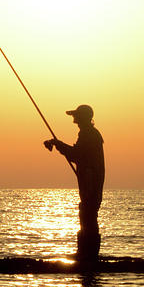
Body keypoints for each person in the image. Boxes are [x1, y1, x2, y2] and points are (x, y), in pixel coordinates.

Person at [44, 105, 105, 261]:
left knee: (88, 213)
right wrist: (58, 144)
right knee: (86, 212)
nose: (74, 118)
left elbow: (76, 155)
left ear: (83, 118)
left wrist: (57, 144)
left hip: (91, 182)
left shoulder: (89, 135)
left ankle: (88, 257)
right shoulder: (88, 134)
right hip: (89, 181)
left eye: (76, 115)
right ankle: (85, 254)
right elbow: (77, 155)